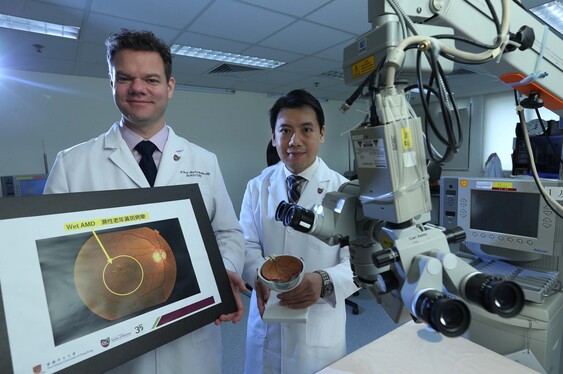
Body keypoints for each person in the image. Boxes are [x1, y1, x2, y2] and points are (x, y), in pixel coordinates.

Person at [43, 29, 246, 374]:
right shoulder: (72, 164)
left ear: (169, 87)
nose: (138, 88)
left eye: (151, 79)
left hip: (190, 341)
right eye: (125, 78)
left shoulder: (203, 161)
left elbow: (228, 232)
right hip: (113, 341)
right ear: (112, 83)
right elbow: (51, 260)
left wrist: (223, 270)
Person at [240, 89, 358, 373]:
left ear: (322, 134)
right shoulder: (258, 186)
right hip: (267, 318)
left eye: (306, 129)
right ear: (273, 136)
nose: (295, 141)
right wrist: (263, 275)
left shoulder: (345, 192)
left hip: (318, 324)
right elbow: (245, 244)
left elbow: (360, 261)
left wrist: (324, 282)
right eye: (285, 131)